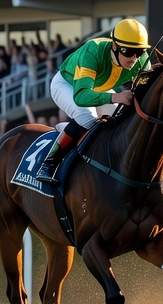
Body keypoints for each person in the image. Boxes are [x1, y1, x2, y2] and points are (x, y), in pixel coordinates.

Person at [36, 18, 151, 184]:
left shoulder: (141, 60)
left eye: (139, 52)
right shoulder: (93, 51)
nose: (134, 58)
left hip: (100, 88)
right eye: (128, 51)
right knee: (87, 116)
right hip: (68, 85)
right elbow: (81, 96)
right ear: (114, 46)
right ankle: (49, 163)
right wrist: (115, 97)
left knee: (122, 118)